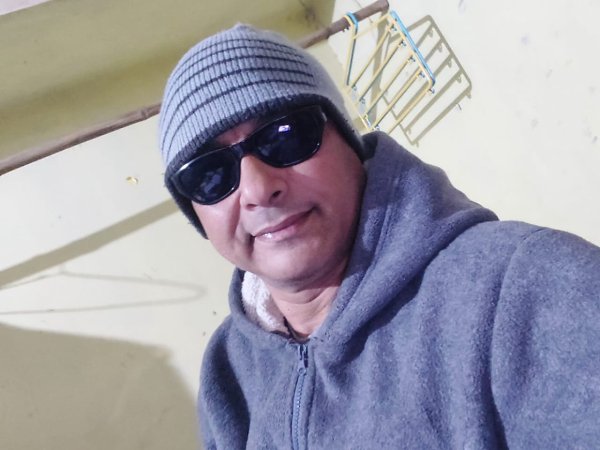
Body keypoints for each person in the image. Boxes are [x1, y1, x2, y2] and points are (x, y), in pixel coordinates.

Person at [157, 24, 600, 449]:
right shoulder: (228, 369)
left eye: (285, 137)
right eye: (209, 175)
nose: (257, 189)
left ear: (349, 142)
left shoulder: (531, 286)